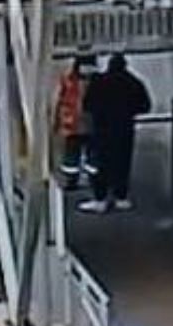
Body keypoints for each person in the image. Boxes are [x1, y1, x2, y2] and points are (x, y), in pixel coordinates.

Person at [80, 54, 150, 213]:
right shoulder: (133, 82)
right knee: (122, 164)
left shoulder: (99, 82)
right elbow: (145, 106)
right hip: (124, 130)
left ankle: (100, 198)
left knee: (101, 164)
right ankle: (121, 197)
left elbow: (87, 105)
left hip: (102, 130)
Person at [55, 56, 96, 190]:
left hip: (82, 124)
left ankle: (89, 180)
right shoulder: (94, 80)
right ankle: (76, 180)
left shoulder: (70, 80)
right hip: (79, 124)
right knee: (74, 156)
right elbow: (60, 101)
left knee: (88, 155)